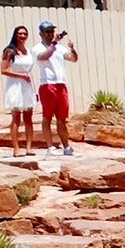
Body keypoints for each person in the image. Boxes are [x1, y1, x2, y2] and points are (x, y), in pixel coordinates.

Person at [31, 20, 79, 156]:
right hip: (47, 85)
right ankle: (50, 146)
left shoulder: (60, 47)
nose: (50, 34)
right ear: (41, 33)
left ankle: (66, 146)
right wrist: (54, 43)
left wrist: (72, 49)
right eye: (47, 31)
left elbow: (72, 59)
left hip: (61, 84)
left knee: (62, 118)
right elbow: (45, 56)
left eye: (52, 31)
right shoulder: (37, 48)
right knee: (47, 117)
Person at [0, 25, 36, 158]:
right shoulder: (9, 51)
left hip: (27, 86)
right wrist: (20, 76)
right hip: (15, 85)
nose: (22, 36)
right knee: (16, 118)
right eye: (20, 34)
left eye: (25, 34)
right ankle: (16, 148)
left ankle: (29, 147)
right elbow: (4, 70)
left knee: (28, 118)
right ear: (15, 35)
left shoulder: (28, 51)